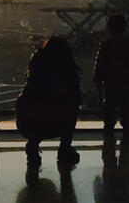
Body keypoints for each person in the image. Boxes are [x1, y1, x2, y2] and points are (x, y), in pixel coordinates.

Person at [15, 35, 81, 176]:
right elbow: (75, 99)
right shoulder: (68, 73)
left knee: (39, 112)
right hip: (57, 123)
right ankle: (64, 149)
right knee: (72, 107)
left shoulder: (36, 70)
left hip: (28, 123)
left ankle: (33, 142)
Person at [93, 12, 129, 139]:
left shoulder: (106, 45)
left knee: (109, 107)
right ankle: (127, 131)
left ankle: (109, 132)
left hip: (110, 82)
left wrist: (97, 81)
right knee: (126, 105)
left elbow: (99, 65)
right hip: (125, 80)